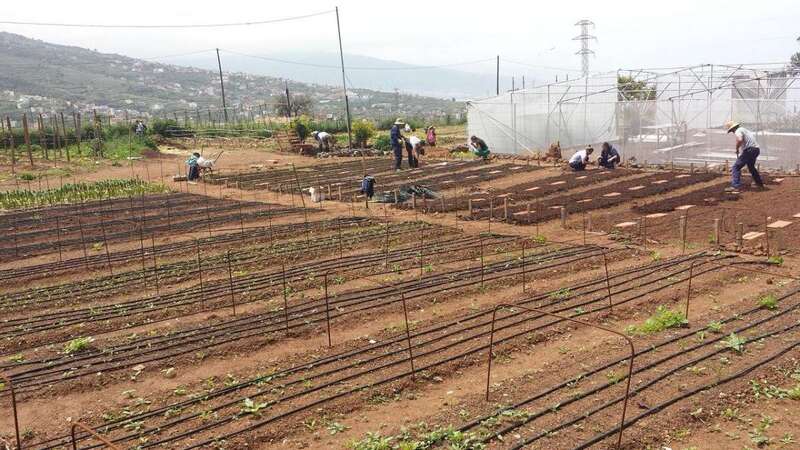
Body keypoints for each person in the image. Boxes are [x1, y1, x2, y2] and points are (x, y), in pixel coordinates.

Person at [724, 121, 765, 191]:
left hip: (749, 150)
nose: (732, 132)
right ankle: (759, 184)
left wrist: (737, 148)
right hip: (756, 149)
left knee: (736, 167)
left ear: (733, 128)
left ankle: (735, 186)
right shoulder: (744, 129)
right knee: (751, 167)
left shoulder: (738, 131)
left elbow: (740, 140)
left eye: (731, 131)